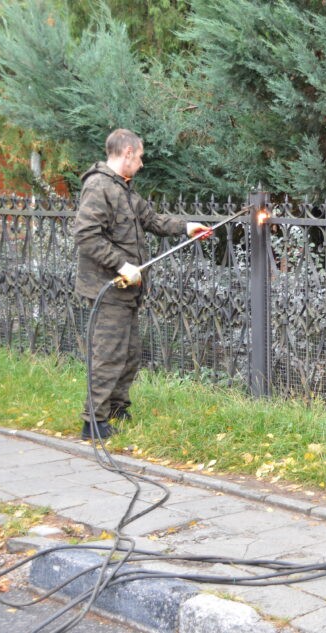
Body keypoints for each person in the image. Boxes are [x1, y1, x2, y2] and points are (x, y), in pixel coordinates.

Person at [73, 129, 209, 441]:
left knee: (130, 353)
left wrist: (188, 227)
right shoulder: (98, 186)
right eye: (140, 156)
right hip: (106, 289)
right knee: (108, 354)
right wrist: (121, 264)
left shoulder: (124, 189)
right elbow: (86, 235)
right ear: (128, 153)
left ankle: (117, 407)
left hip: (128, 291)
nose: (142, 163)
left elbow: (152, 220)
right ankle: (93, 422)